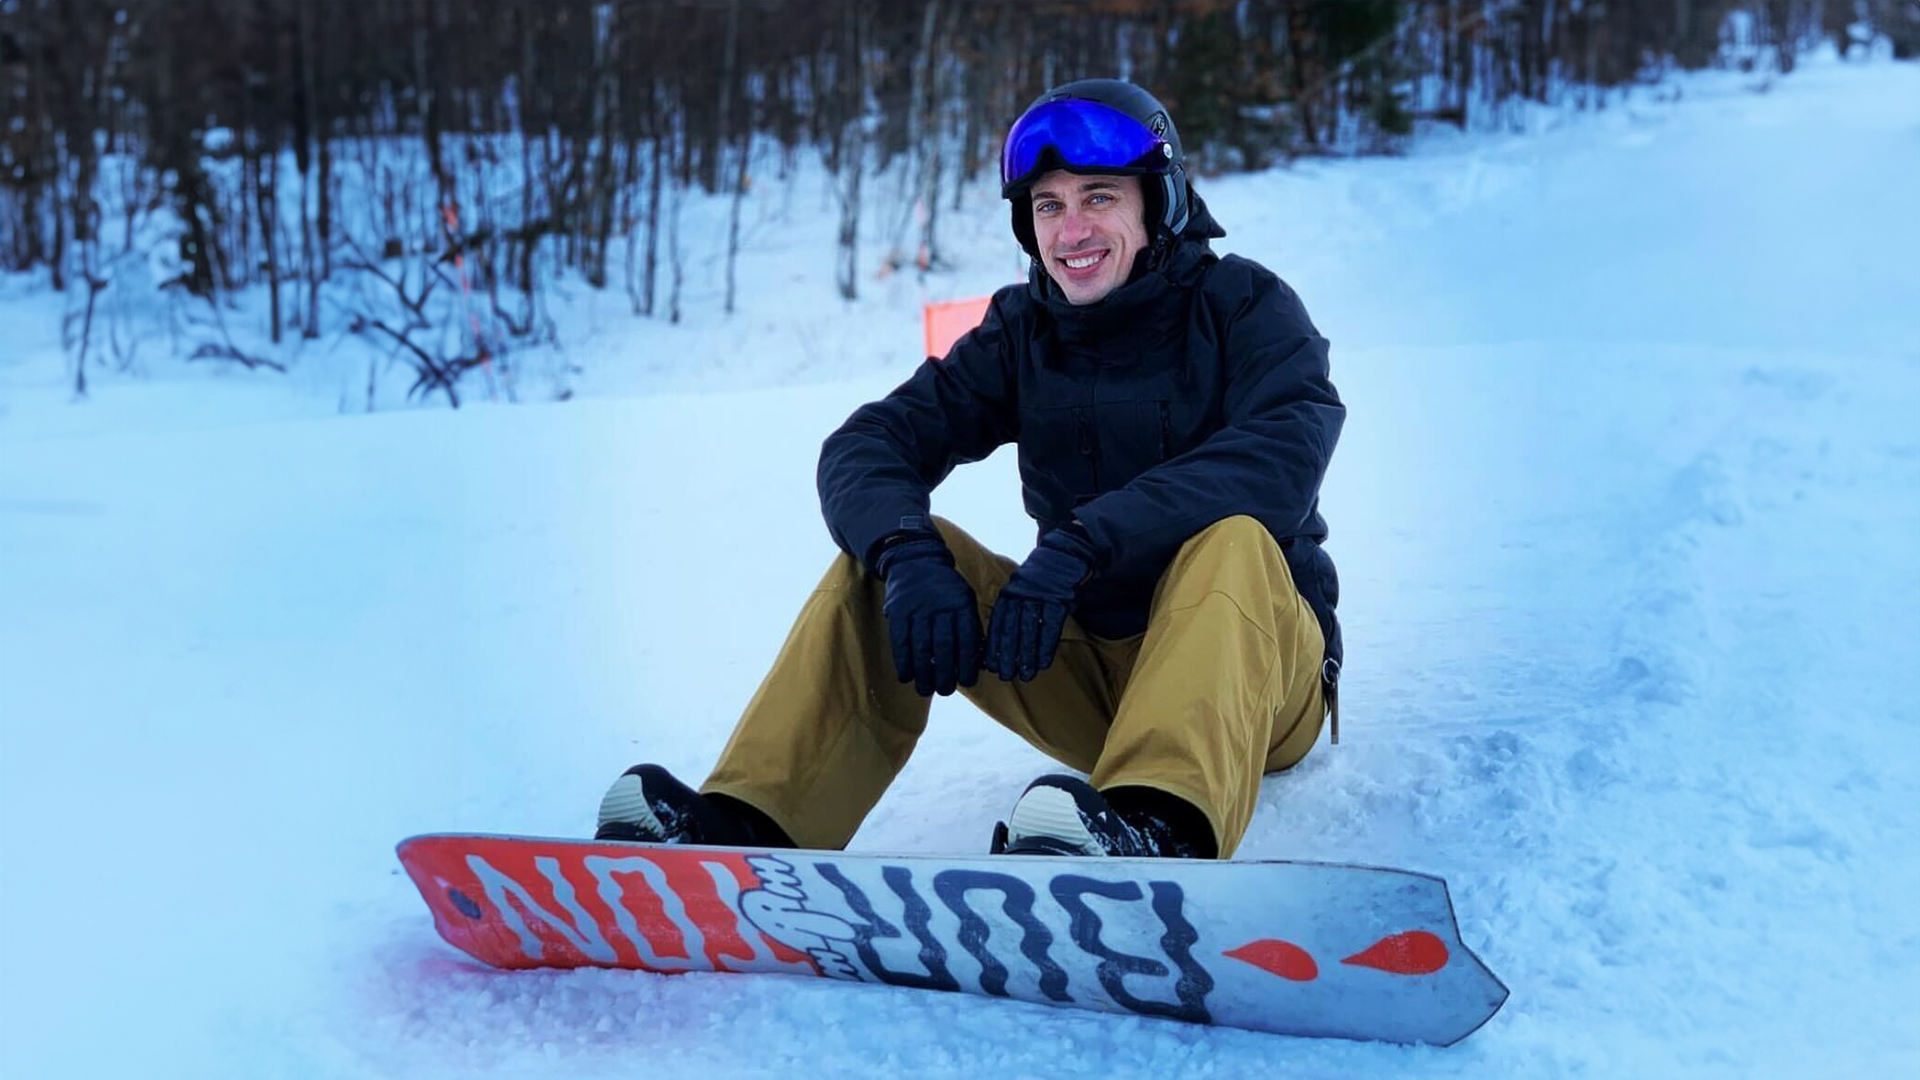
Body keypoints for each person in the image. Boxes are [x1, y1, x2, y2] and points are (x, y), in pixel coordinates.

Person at [596, 79, 1344, 860]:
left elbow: (1282, 455)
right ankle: (748, 825)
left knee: (1232, 541)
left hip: (1259, 682)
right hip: (1096, 680)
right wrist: (907, 554)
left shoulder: (1245, 305)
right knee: (889, 556)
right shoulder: (1024, 331)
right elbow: (869, 444)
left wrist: (1087, 540)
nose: (1071, 228)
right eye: (1048, 206)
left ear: (1159, 203)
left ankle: (1160, 829)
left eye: (1098, 197)